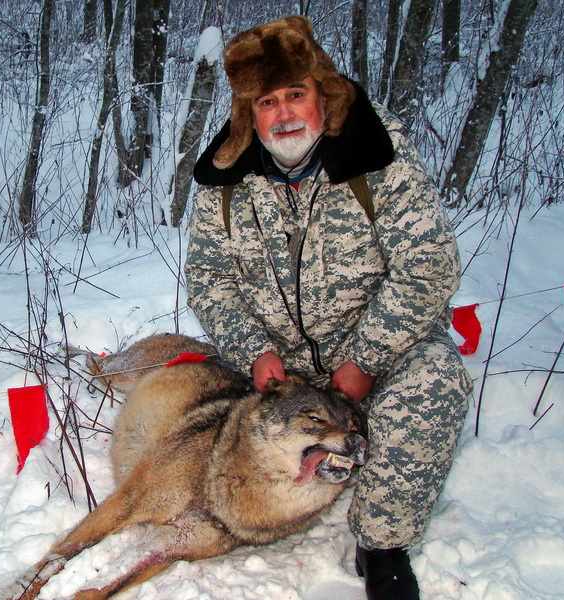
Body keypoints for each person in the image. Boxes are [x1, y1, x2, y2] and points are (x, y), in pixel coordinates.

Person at [184, 15, 473, 600]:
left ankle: (382, 544)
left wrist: (365, 360)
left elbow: (429, 263)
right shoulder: (225, 180)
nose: (285, 113)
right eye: (268, 101)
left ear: (324, 94)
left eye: (297, 93)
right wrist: (252, 350)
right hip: (284, 371)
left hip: (383, 350)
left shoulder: (377, 154)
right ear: (249, 113)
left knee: (435, 385)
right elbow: (209, 277)